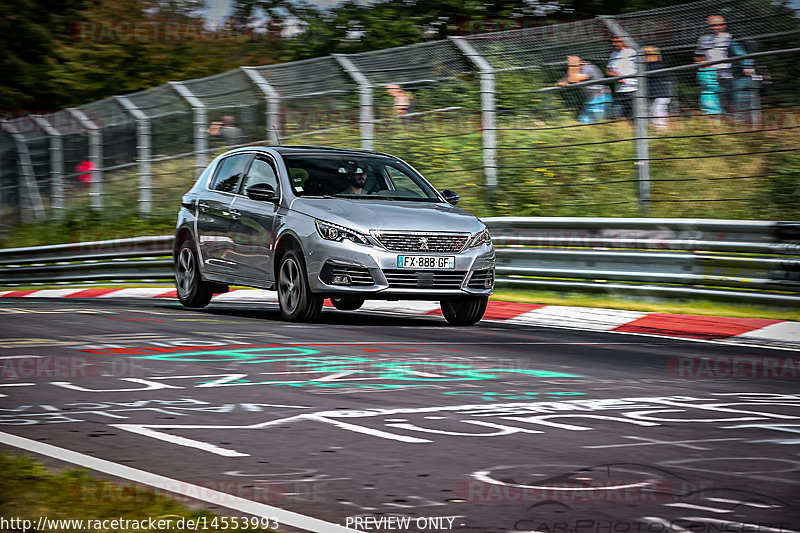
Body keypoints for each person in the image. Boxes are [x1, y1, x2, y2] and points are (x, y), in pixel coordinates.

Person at [695, 15, 755, 115]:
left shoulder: (729, 37)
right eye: (711, 25)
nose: (714, 27)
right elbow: (699, 55)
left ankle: (730, 116)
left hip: (726, 71)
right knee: (710, 95)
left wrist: (747, 66)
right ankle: (713, 116)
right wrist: (701, 64)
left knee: (728, 96)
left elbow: (740, 53)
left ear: (724, 25)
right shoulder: (703, 39)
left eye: (717, 25)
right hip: (709, 71)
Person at [556, 55, 611, 124]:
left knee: (598, 124)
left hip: (600, 99)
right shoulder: (576, 70)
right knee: (584, 123)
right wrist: (572, 70)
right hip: (591, 100)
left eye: (570, 60)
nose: (568, 62)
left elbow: (573, 79)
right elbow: (561, 83)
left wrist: (573, 65)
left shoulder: (589, 68)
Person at [607, 36, 638, 119]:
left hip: (632, 89)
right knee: (615, 116)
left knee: (633, 116)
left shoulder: (632, 52)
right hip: (619, 91)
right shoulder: (613, 54)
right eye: (613, 42)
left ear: (623, 42)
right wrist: (617, 76)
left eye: (617, 42)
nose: (614, 44)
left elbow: (641, 68)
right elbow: (608, 70)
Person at [642, 46, 671, 130]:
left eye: (646, 55)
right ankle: (653, 132)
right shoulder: (646, 66)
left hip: (660, 95)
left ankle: (661, 134)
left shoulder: (658, 65)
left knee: (658, 114)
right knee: (650, 115)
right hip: (651, 95)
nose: (644, 57)